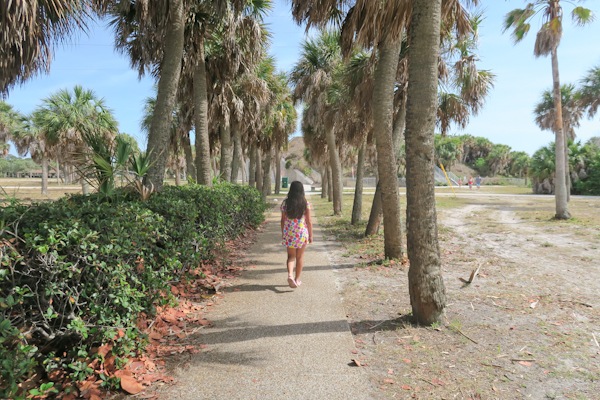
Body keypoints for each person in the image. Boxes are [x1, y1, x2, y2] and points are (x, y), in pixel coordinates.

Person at [280, 181, 313, 288]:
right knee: (300, 257)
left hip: (289, 233)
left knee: (290, 257)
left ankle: (290, 275)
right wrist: (311, 235)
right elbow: (309, 221)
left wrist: (283, 233)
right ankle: (297, 279)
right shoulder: (305, 203)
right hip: (302, 234)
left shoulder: (286, 203)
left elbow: (282, 220)